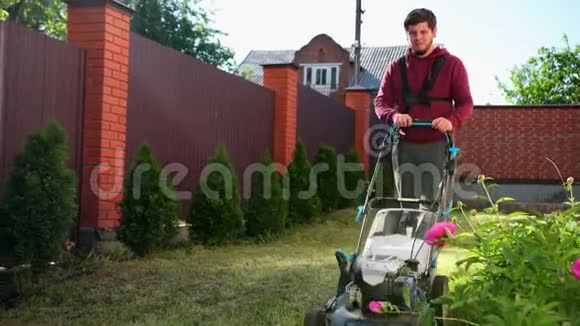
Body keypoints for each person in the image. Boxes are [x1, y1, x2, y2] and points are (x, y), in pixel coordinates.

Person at [375, 8, 474, 204]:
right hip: (405, 145)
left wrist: (451, 121)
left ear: (434, 32)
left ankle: (432, 235)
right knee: (405, 205)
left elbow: (465, 103)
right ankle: (406, 234)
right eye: (413, 33)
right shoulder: (395, 67)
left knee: (434, 205)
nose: (418, 37)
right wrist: (394, 116)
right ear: (407, 35)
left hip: (438, 144)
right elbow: (381, 102)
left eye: (423, 32)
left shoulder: (453, 65)